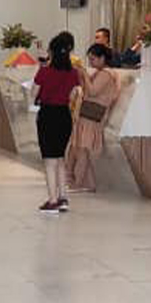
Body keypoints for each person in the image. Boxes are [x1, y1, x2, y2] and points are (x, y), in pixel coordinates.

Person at [32, 31, 81, 213]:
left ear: (51, 52)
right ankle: (63, 198)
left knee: (49, 161)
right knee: (60, 158)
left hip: (48, 116)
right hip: (64, 116)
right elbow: (73, 95)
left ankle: (52, 201)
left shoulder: (44, 72)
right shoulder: (74, 73)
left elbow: (33, 94)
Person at [65, 44, 121, 194]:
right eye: (89, 59)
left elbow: (93, 91)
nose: (90, 62)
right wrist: (81, 74)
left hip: (92, 115)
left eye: (93, 59)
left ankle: (78, 183)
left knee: (83, 149)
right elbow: (86, 89)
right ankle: (85, 182)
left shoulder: (106, 74)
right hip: (88, 113)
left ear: (102, 58)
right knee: (78, 147)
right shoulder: (100, 72)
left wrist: (83, 72)